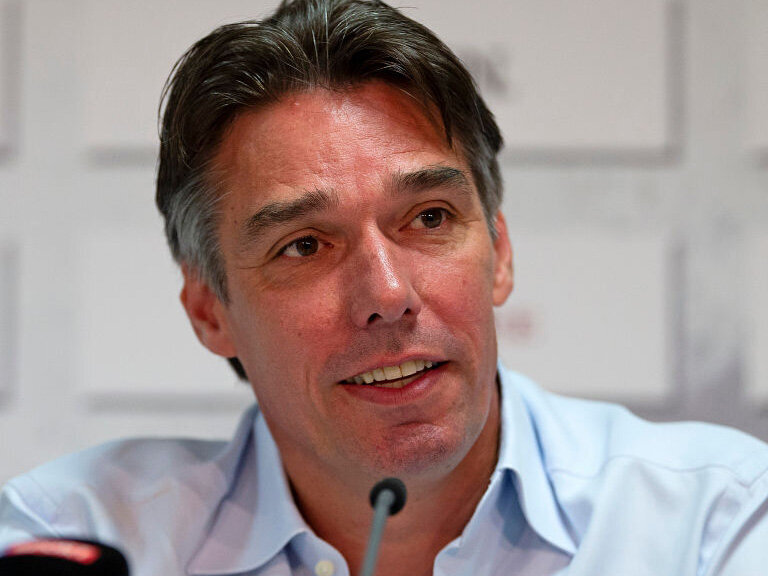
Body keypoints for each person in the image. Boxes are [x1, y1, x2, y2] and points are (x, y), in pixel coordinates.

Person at [1, 0, 767, 574]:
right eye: (305, 245)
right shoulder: (74, 539)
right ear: (209, 310)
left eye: (430, 218)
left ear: (499, 250)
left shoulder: (713, 525)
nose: (388, 292)